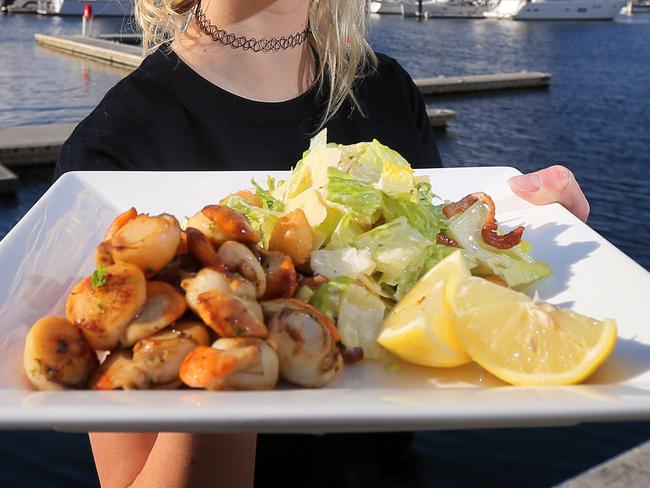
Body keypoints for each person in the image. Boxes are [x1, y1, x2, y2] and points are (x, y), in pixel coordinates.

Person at [56, 1, 590, 486]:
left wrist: (529, 241)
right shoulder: (110, 156)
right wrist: (222, 336)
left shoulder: (388, 91)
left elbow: (437, 310)